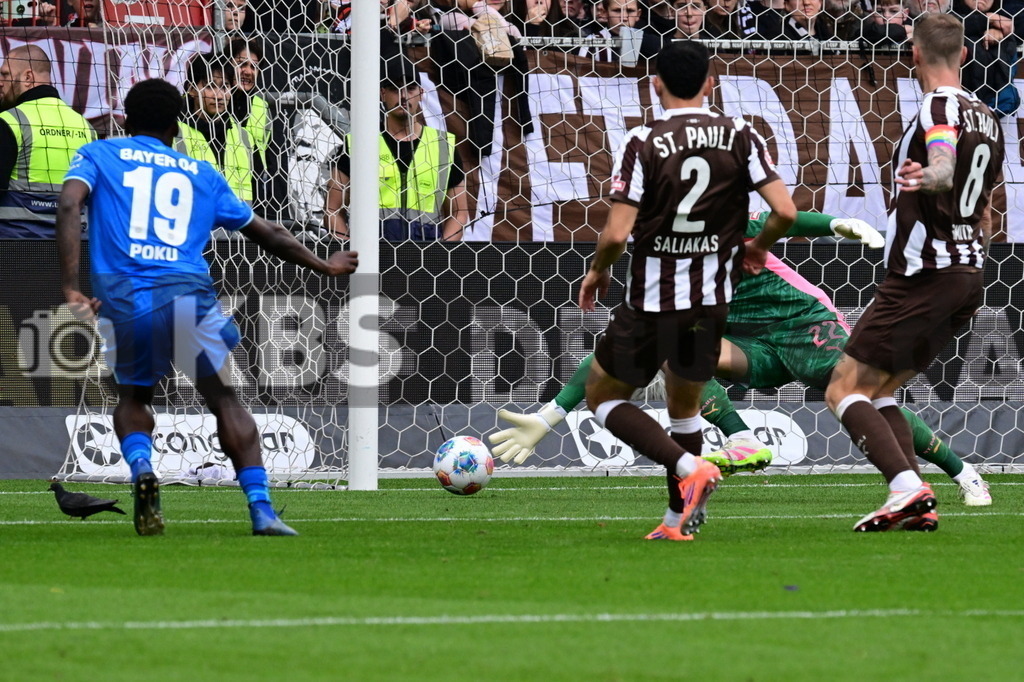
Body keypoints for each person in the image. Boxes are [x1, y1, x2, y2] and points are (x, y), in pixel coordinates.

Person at [490, 211, 993, 515]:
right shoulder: (669, 275)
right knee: (672, 351)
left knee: (862, 398)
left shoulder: (723, 235)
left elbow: (781, 221)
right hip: (753, 347)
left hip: (804, 328)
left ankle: (962, 471)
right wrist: (549, 417)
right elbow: (611, 360)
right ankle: (741, 438)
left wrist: (836, 225)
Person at [55, 78, 359, 536]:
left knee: (134, 396)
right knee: (223, 399)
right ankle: (261, 509)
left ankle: (142, 469)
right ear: (177, 126)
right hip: (187, 294)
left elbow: (67, 204)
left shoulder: (100, 155)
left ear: (124, 119)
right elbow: (268, 233)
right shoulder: (202, 173)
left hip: (126, 297)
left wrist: (71, 287)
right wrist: (325, 265)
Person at [577, 40, 797, 540]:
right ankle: (679, 521)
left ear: (655, 85)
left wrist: (598, 271)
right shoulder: (740, 134)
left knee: (603, 398)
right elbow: (784, 210)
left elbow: (615, 233)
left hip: (655, 300)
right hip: (712, 300)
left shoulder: (643, 141)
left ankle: (687, 468)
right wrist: (758, 247)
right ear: (710, 84)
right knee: (685, 407)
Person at [824, 13, 1004, 532]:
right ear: (965, 55)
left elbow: (944, 161)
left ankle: (906, 488)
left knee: (842, 388)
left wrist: (932, 174)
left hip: (925, 273)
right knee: (879, 392)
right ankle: (913, 503)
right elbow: (987, 208)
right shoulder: (988, 118)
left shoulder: (939, 105)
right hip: (967, 272)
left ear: (915, 55)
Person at [323, 59, 469, 241]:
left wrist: (440, 255)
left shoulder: (443, 145)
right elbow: (332, 209)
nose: (403, 96)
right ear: (382, 94)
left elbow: (459, 213)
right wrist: (350, 256)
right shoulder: (358, 144)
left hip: (426, 256)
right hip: (371, 256)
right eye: (395, 88)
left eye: (410, 88)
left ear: (421, 93)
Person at [0, 45, 96, 238]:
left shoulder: (9, 121)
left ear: (28, 77)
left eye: (5, 74)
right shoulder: (86, 127)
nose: (1, 82)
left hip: (15, 246)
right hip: (72, 248)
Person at [183, 54, 255, 203]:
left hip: (236, 222)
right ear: (191, 89)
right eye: (210, 86)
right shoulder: (174, 132)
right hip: (194, 222)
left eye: (225, 86)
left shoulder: (242, 136)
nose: (219, 95)